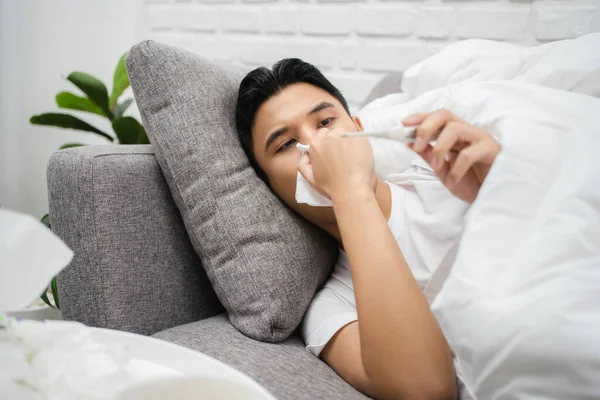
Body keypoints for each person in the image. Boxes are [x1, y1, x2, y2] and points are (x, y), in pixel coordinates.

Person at [235, 58, 501, 400]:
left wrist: (502, 184)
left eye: (326, 122)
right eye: (286, 144)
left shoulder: (451, 177)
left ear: (358, 126)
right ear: (268, 185)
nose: (318, 145)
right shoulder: (332, 309)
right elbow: (428, 390)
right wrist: (350, 189)